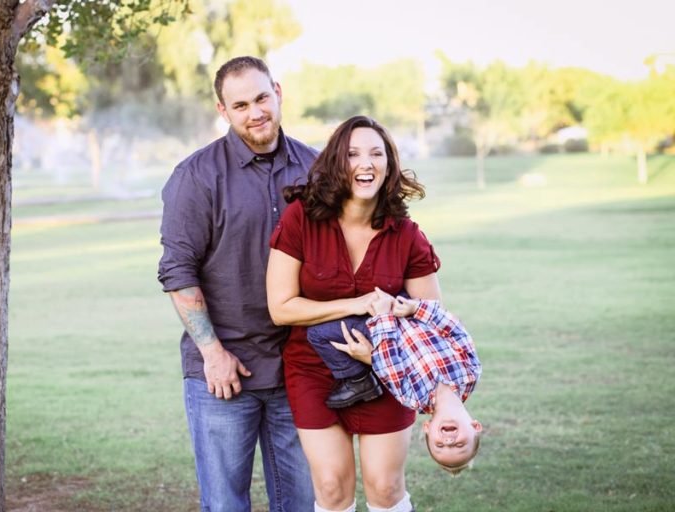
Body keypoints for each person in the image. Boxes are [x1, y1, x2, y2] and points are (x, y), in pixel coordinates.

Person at [157, 56, 317, 512]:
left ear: (279, 93)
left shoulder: (317, 169)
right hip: (224, 374)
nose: (256, 112)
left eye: (262, 97)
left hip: (299, 368)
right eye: (241, 104)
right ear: (223, 111)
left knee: (303, 502)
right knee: (226, 505)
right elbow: (178, 271)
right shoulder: (196, 176)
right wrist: (212, 352)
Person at [267, 115, 441, 512]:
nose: (366, 163)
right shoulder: (301, 219)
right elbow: (280, 308)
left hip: (388, 370)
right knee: (331, 487)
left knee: (384, 486)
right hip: (313, 369)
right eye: (352, 154)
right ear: (335, 164)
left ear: (389, 165)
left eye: (376, 153)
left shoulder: (407, 235)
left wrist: (377, 355)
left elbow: (431, 319)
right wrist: (357, 304)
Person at [323, 287, 483, 475]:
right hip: (407, 306)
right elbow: (455, 330)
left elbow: (387, 360)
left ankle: (356, 376)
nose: (449, 442)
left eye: (439, 445)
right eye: (460, 445)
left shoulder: (412, 397)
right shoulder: (470, 373)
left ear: (427, 428)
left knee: (319, 333)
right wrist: (416, 308)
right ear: (475, 426)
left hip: (383, 321)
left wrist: (383, 316)